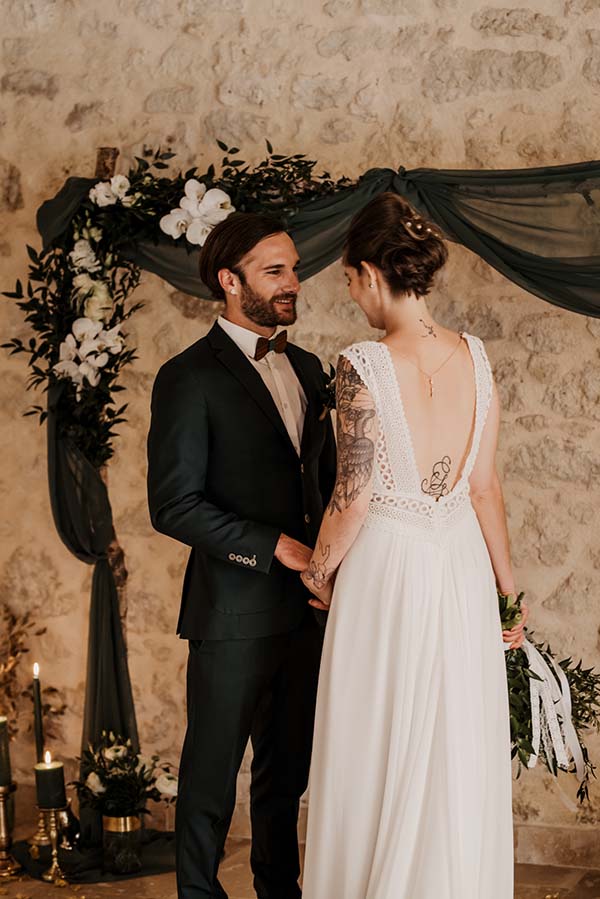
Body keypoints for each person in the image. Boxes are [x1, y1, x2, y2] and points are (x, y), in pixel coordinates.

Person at [298, 193, 528, 899]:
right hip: (460, 564)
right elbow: (484, 487)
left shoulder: (361, 363)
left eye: (349, 280)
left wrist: (316, 573)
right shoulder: (477, 359)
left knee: (374, 734)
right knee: (454, 738)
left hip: (387, 569)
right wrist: (508, 596)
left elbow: (353, 495)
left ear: (371, 274)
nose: (353, 294)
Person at [146, 212, 336, 899]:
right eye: (274, 271)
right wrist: (271, 545)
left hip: (306, 613)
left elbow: (327, 486)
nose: (293, 282)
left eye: (294, 268)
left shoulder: (310, 369)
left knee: (285, 779)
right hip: (230, 613)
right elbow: (173, 505)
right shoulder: (187, 377)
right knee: (210, 780)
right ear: (230, 281)